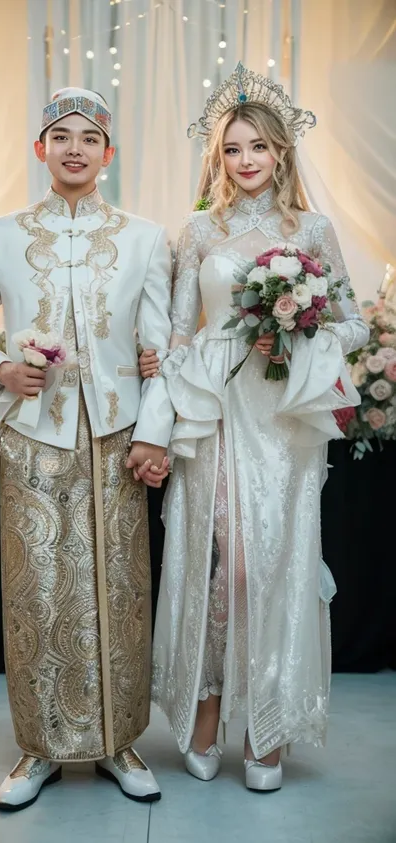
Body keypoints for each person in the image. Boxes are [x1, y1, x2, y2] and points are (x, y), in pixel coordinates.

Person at [139, 63, 369, 791]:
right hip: (214, 412)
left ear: (281, 154)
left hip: (280, 421)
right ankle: (207, 705)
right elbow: (180, 330)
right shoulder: (199, 229)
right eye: (234, 148)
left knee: (271, 567)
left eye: (258, 148)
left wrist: (296, 331)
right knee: (225, 567)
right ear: (219, 156)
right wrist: (160, 360)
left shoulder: (315, 229)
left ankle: (265, 722)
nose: (246, 161)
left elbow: (353, 321)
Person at [0, 87, 173, 811]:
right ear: (40, 149)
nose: (74, 147)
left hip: (115, 438)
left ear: (108, 153)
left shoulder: (144, 237)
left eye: (89, 137)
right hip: (33, 438)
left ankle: (118, 740)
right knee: (37, 592)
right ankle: (39, 745)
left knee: (120, 593)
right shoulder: (1, 234)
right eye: (60, 135)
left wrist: (152, 432)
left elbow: (159, 349)